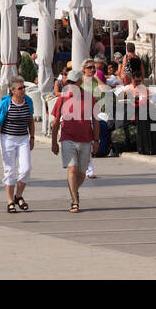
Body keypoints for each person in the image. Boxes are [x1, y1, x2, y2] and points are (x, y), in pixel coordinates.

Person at [51, 70, 95, 212]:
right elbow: (56, 121)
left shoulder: (88, 97)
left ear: (80, 82)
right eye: (68, 82)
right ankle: (74, 201)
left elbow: (96, 120)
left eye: (72, 82)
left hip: (86, 138)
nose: (69, 85)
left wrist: (97, 139)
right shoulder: (63, 98)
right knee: (72, 169)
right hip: (67, 137)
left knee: (81, 173)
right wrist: (53, 142)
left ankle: (74, 190)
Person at [0, 77, 35, 212]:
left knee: (26, 169)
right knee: (9, 170)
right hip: (8, 139)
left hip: (23, 139)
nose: (23, 90)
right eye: (20, 88)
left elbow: (31, 121)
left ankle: (18, 196)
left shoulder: (28, 101)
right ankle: (10, 201)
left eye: (24, 87)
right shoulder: (6, 103)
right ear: (12, 90)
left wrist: (32, 137)